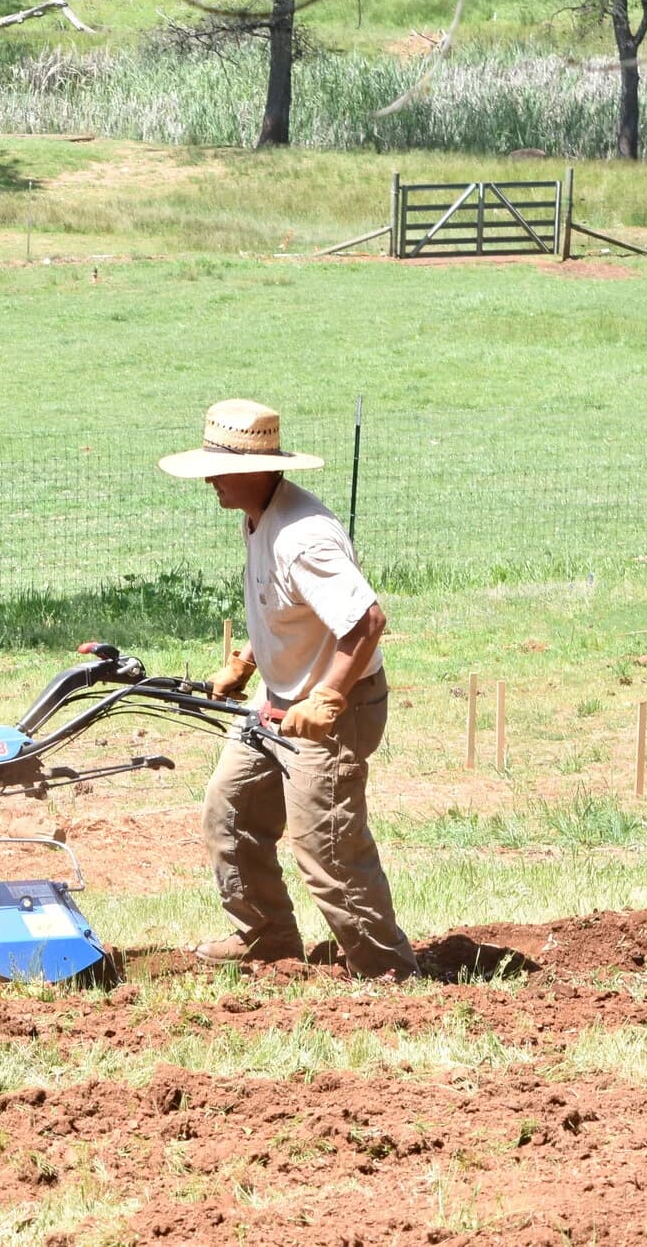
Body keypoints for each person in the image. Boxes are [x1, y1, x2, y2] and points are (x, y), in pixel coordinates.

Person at [159, 398, 416, 979]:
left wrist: (326, 698)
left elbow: (367, 620)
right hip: (274, 702)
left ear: (256, 468)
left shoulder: (305, 537)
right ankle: (267, 939)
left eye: (215, 471)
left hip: (332, 711)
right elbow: (289, 609)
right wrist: (247, 662)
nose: (210, 484)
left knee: (325, 846)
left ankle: (388, 973)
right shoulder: (258, 515)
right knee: (231, 812)